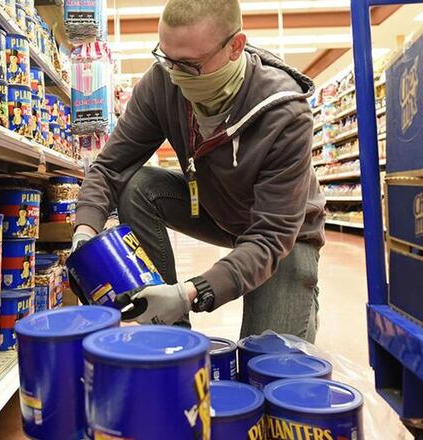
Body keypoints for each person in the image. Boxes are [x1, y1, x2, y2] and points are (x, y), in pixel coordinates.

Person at [72, 0, 326, 342]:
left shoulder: (285, 114)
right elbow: (109, 167)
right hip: (217, 211)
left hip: (285, 235)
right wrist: (84, 233)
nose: (175, 75)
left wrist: (188, 293)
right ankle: (167, 331)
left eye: (189, 65)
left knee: (268, 363)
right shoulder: (162, 83)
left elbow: (271, 236)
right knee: (137, 184)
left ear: (235, 47)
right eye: (166, 58)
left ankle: (300, 301)